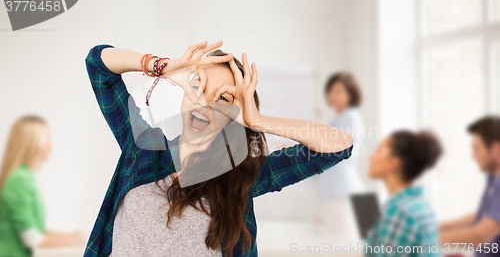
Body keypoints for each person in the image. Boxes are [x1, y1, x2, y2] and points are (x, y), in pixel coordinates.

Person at [83, 41, 354, 257]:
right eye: (199, 86)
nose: (207, 102)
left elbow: (338, 146)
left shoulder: (239, 177)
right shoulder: (143, 150)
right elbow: (98, 64)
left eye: (223, 98)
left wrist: (257, 121)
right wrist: (165, 67)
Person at [0, 115, 84, 257]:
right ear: (33, 143)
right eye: (47, 139)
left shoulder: (25, 176)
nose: (50, 145)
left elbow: (33, 229)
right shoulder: (19, 179)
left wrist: (70, 236)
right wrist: (72, 239)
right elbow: (32, 239)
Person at [365, 130, 443, 257]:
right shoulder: (420, 205)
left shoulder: (400, 212)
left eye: (378, 151)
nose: (371, 156)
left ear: (393, 163)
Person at [439, 115, 500, 256]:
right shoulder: (493, 179)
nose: (473, 156)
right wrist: (434, 228)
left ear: (496, 149)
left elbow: (477, 238)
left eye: (477, 149)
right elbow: (484, 216)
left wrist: (421, 239)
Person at [316, 72, 365, 236]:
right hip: (338, 192)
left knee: (339, 247)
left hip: (342, 193)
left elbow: (326, 146)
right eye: (330, 90)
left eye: (338, 91)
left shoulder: (349, 118)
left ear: (350, 94)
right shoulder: (340, 119)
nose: (332, 95)